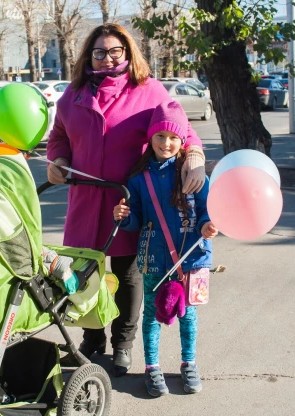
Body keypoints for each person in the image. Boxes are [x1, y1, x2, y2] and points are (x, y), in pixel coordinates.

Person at [46, 23, 207, 377]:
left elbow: (183, 127)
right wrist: (57, 160)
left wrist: (194, 155)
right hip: (85, 200)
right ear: (89, 55)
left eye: (115, 51)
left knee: (128, 275)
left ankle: (122, 343)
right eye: (99, 52)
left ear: (128, 53)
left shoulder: (147, 90)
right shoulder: (72, 95)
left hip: (129, 201)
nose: (107, 59)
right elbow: (58, 136)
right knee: (84, 276)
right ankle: (92, 338)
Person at [113, 101, 217, 397]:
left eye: (173, 137)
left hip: (194, 259)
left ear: (183, 139)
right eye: (160, 136)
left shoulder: (194, 174)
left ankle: (189, 363)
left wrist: (209, 226)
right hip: (154, 259)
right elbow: (136, 221)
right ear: (150, 138)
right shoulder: (138, 178)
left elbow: (208, 211)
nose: (166, 143)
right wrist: (124, 218)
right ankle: (152, 367)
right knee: (152, 315)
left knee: (189, 316)